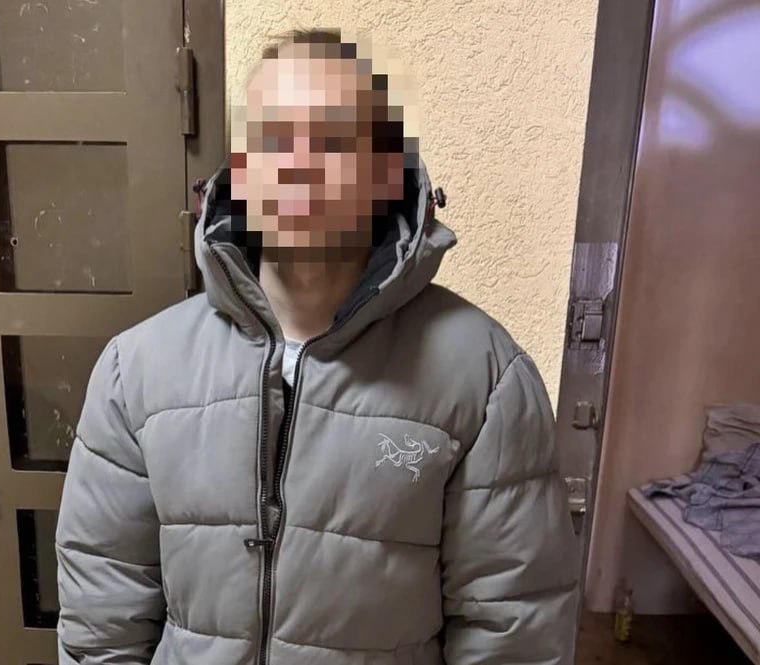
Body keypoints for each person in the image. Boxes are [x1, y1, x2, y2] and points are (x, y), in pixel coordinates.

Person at [56, 28, 579, 665]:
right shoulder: (135, 369)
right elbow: (102, 619)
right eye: (273, 138)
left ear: (384, 174)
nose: (298, 163)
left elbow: (514, 632)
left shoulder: (486, 378)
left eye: (332, 140)